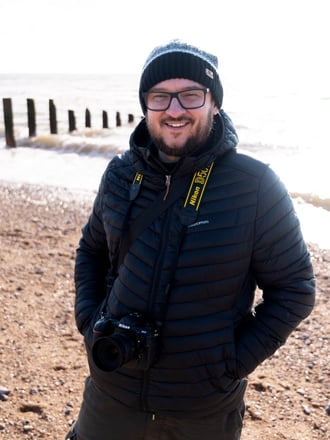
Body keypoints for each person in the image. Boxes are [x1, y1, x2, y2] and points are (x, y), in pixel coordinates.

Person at [65, 39, 315, 440]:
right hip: (111, 389)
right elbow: (91, 251)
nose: (175, 110)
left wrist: (229, 362)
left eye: (190, 95)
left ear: (214, 103)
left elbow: (296, 290)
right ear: (145, 104)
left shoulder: (255, 186)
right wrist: (88, 319)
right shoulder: (119, 175)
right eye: (160, 97)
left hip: (202, 409)